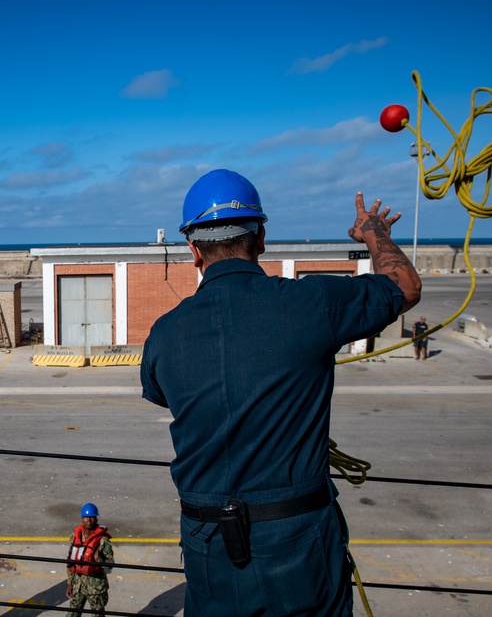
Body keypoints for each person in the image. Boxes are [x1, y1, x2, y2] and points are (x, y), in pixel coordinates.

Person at [140, 169, 421, 616]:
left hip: (208, 540)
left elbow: (162, 394)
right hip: (298, 540)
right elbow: (405, 286)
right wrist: (373, 233)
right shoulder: (314, 304)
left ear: (193, 250)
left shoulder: (164, 334)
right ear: (261, 237)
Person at [65, 502, 115, 616]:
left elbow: (110, 564)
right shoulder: (74, 537)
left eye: (92, 517)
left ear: (96, 519)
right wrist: (70, 583)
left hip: (95, 587)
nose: (89, 520)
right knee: (72, 614)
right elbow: (70, 561)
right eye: (86, 517)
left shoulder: (103, 540)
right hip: (78, 585)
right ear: (82, 519)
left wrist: (98, 559)